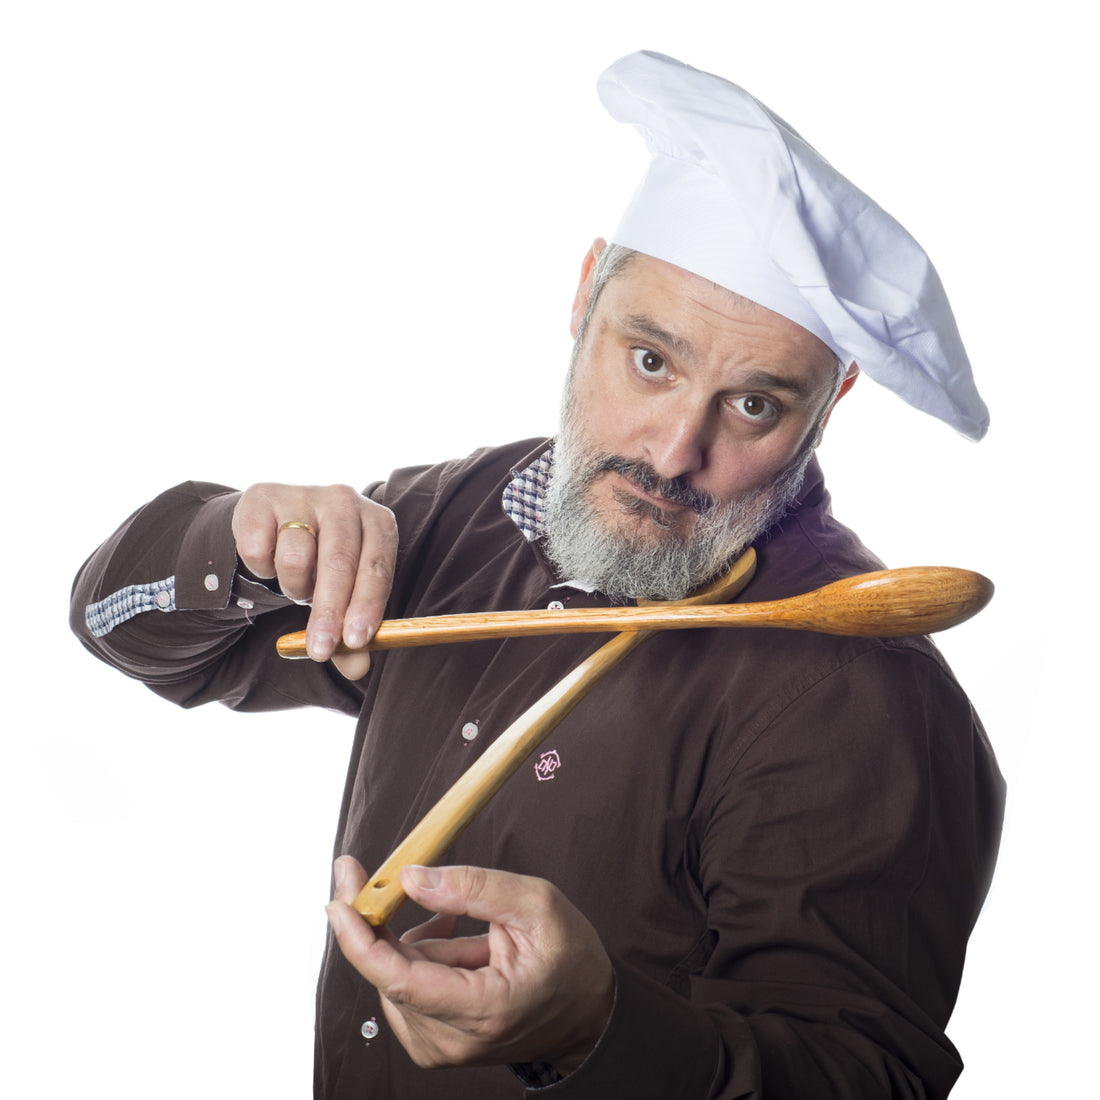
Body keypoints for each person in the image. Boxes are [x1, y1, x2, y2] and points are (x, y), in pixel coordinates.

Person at [71, 52, 1003, 1098]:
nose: (670, 452)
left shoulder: (860, 692)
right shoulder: (464, 511)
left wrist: (599, 1030)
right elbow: (126, 629)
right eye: (650, 360)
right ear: (583, 292)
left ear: (830, 404)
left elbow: (867, 1078)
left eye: (753, 405)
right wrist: (240, 544)